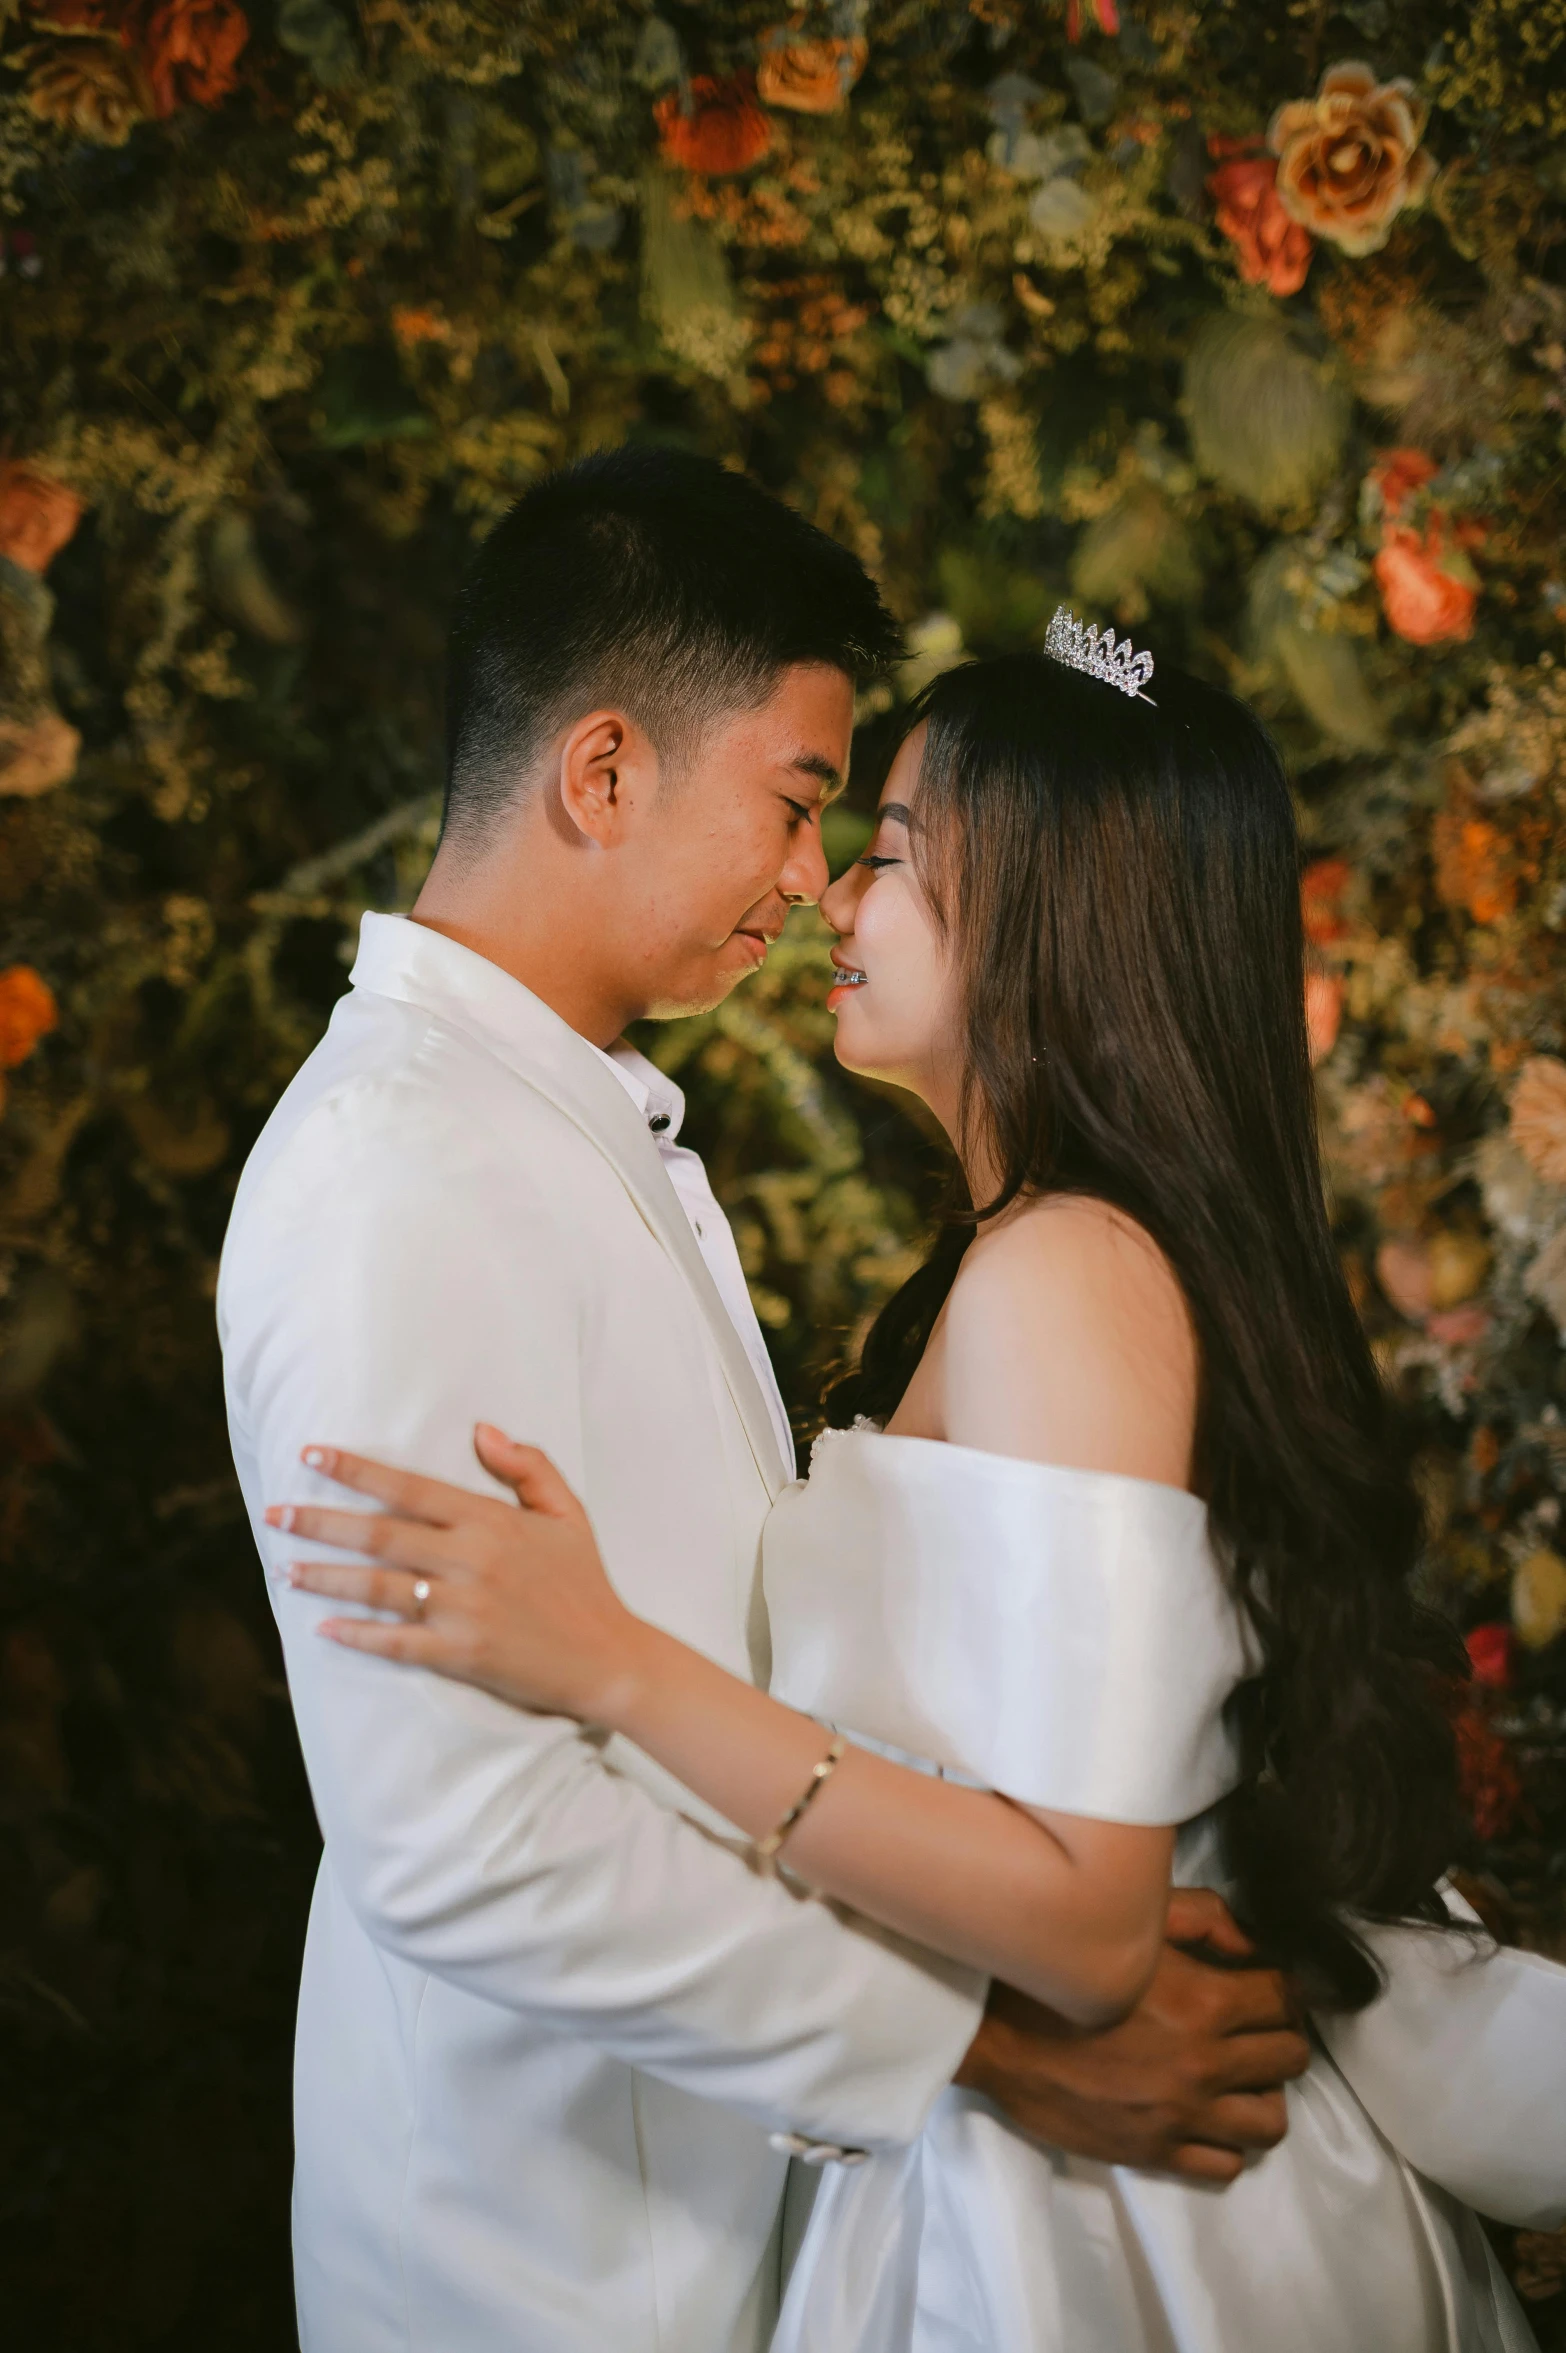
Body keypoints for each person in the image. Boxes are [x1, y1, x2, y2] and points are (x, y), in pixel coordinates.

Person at [278, 639, 1566, 2350]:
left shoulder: (1059, 1272)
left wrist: (615, 1667)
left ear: (1057, 898)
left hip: (1097, 2224)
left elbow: (1090, 1919)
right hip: (1015, 2163)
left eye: (882, 847)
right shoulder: (1036, 1258)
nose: (825, 897)